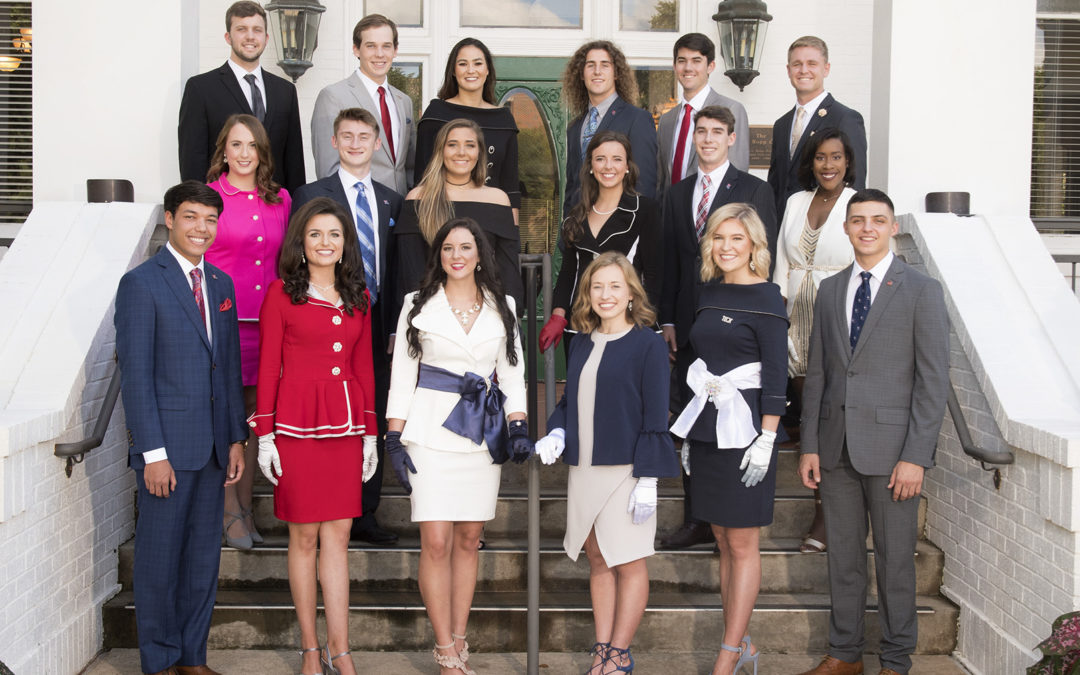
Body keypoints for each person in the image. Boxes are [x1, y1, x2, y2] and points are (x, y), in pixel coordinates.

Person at [796, 189, 949, 675]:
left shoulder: (921, 290)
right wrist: (810, 446)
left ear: (892, 228)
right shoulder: (831, 290)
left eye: (877, 220)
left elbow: (932, 381)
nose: (867, 228)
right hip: (836, 448)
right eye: (858, 220)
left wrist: (916, 456)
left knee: (895, 564)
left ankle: (896, 660)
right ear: (845, 228)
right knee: (843, 559)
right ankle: (844, 653)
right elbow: (817, 373)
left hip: (893, 454)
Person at [385, 217, 532, 675]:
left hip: (482, 434)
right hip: (430, 432)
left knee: (469, 540)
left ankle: (461, 638)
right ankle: (444, 650)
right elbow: (403, 375)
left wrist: (520, 425)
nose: (457, 255)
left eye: (465, 247)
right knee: (435, 541)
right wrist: (393, 434)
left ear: (479, 254)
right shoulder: (416, 304)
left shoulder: (502, 304)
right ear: (439, 255)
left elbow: (510, 373)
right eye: (448, 248)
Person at [114, 181, 248, 675]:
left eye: (210, 219)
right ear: (169, 219)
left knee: (200, 565)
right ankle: (160, 662)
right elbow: (137, 377)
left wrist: (235, 438)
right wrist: (152, 454)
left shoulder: (221, 286)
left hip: (213, 450)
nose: (202, 228)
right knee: (157, 565)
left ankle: (193, 659)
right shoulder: (142, 284)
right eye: (191, 217)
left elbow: (228, 369)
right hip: (166, 454)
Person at [249, 197, 379, 675]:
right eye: (316, 235)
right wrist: (264, 435)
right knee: (303, 538)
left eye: (335, 236)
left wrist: (369, 435)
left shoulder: (359, 297)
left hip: (344, 427)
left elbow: (363, 368)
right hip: (296, 427)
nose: (326, 243)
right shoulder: (281, 293)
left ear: (346, 246)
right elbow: (266, 368)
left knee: (339, 538)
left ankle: (340, 649)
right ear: (301, 243)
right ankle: (309, 648)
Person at [536, 252, 678, 675]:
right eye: (598, 286)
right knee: (597, 557)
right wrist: (558, 430)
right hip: (584, 470)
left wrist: (649, 477)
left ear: (632, 293)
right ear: (587, 294)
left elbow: (656, 415)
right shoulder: (580, 341)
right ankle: (602, 649)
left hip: (628, 471)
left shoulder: (648, 344)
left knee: (629, 560)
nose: (606, 294)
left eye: (615, 286)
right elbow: (568, 401)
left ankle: (619, 655)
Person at [668, 203, 788, 675]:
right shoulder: (706, 293)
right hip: (708, 429)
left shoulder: (768, 297)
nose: (726, 247)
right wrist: (691, 427)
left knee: (742, 542)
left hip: (748, 434)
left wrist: (768, 437)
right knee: (720, 536)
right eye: (719, 238)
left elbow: (775, 374)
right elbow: (696, 360)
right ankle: (741, 643)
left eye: (737, 239)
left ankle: (728, 654)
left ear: (754, 246)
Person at [658, 106, 776, 550]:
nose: (707, 139)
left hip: (741, 329)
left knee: (733, 417)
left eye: (716, 132)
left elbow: (764, 257)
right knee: (695, 419)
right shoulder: (677, 193)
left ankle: (730, 518)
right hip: (692, 327)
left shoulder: (754, 190)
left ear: (731, 138)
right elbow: (671, 262)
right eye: (700, 132)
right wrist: (667, 318)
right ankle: (698, 518)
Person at [292, 107, 404, 546]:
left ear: (377, 144)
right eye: (347, 136)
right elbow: (294, 256)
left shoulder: (391, 199)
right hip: (327, 315)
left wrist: (396, 322)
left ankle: (365, 511)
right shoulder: (309, 195)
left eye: (364, 136)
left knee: (371, 402)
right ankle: (325, 501)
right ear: (334, 142)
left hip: (375, 319)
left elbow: (395, 267)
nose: (356, 144)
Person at [203, 113, 291, 550]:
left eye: (251, 146)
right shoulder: (209, 198)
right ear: (223, 150)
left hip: (267, 325)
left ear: (262, 153)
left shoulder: (281, 200)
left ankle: (247, 505)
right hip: (222, 322)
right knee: (226, 418)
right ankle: (227, 511)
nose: (243, 154)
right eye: (235, 145)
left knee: (258, 419)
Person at [772, 128, 857, 555]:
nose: (828, 165)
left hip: (835, 321)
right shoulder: (795, 202)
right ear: (811, 161)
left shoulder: (857, 204)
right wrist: (776, 315)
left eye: (836, 157)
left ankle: (827, 517)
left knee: (828, 421)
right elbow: (781, 263)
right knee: (808, 418)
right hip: (793, 326)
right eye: (821, 157)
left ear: (848, 161)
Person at [537, 130, 662, 355]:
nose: (608, 166)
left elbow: (654, 275)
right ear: (591, 167)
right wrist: (558, 316)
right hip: (580, 324)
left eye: (617, 159)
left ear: (627, 167)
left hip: (627, 324)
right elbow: (568, 274)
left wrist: (650, 323)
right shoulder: (576, 216)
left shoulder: (646, 210)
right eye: (600, 159)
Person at [394, 118, 523, 316]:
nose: (461, 152)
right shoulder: (418, 199)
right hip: (431, 315)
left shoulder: (498, 200)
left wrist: (510, 319)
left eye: (469, 145)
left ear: (479, 152)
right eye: (452, 145)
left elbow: (509, 273)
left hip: (486, 314)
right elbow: (409, 274)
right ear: (440, 151)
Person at [179, 1, 305, 193]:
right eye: (241, 29)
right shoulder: (201, 88)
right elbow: (192, 159)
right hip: (222, 206)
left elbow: (294, 160)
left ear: (266, 37)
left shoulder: (285, 91)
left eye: (257, 30)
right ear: (228, 37)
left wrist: (297, 212)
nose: (250, 37)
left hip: (274, 205)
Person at [414, 38, 520, 221]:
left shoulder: (503, 120)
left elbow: (510, 186)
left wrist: (512, 235)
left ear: (487, 70)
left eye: (478, 63)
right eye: (463, 64)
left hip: (491, 216)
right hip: (442, 216)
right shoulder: (436, 114)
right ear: (453, 71)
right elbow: (422, 179)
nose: (471, 70)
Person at [311, 14, 415, 194]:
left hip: (400, 208)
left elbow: (408, 166)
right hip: (357, 209)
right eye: (371, 46)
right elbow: (328, 170)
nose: (380, 54)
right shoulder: (332, 97)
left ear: (395, 50)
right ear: (356, 49)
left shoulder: (404, 101)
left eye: (386, 46)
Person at [767, 36, 866, 222]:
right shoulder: (782, 124)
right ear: (788, 71)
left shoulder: (845, 118)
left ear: (826, 69)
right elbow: (776, 185)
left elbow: (855, 183)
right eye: (797, 64)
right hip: (783, 229)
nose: (804, 70)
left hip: (825, 226)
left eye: (812, 63)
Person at [562, 40, 658, 216]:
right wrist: (567, 230)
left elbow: (644, 186)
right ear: (581, 74)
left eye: (605, 65)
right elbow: (573, 186)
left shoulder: (637, 119)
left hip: (620, 231)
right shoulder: (575, 126)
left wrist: (627, 233)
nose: (597, 71)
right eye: (590, 65)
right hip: (579, 232)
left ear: (616, 73)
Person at [658, 33, 749, 188]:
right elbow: (661, 179)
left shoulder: (732, 110)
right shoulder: (666, 120)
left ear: (710, 66)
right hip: (670, 211)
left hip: (715, 211)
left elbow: (737, 175)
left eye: (696, 61)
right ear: (674, 66)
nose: (688, 68)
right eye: (682, 61)